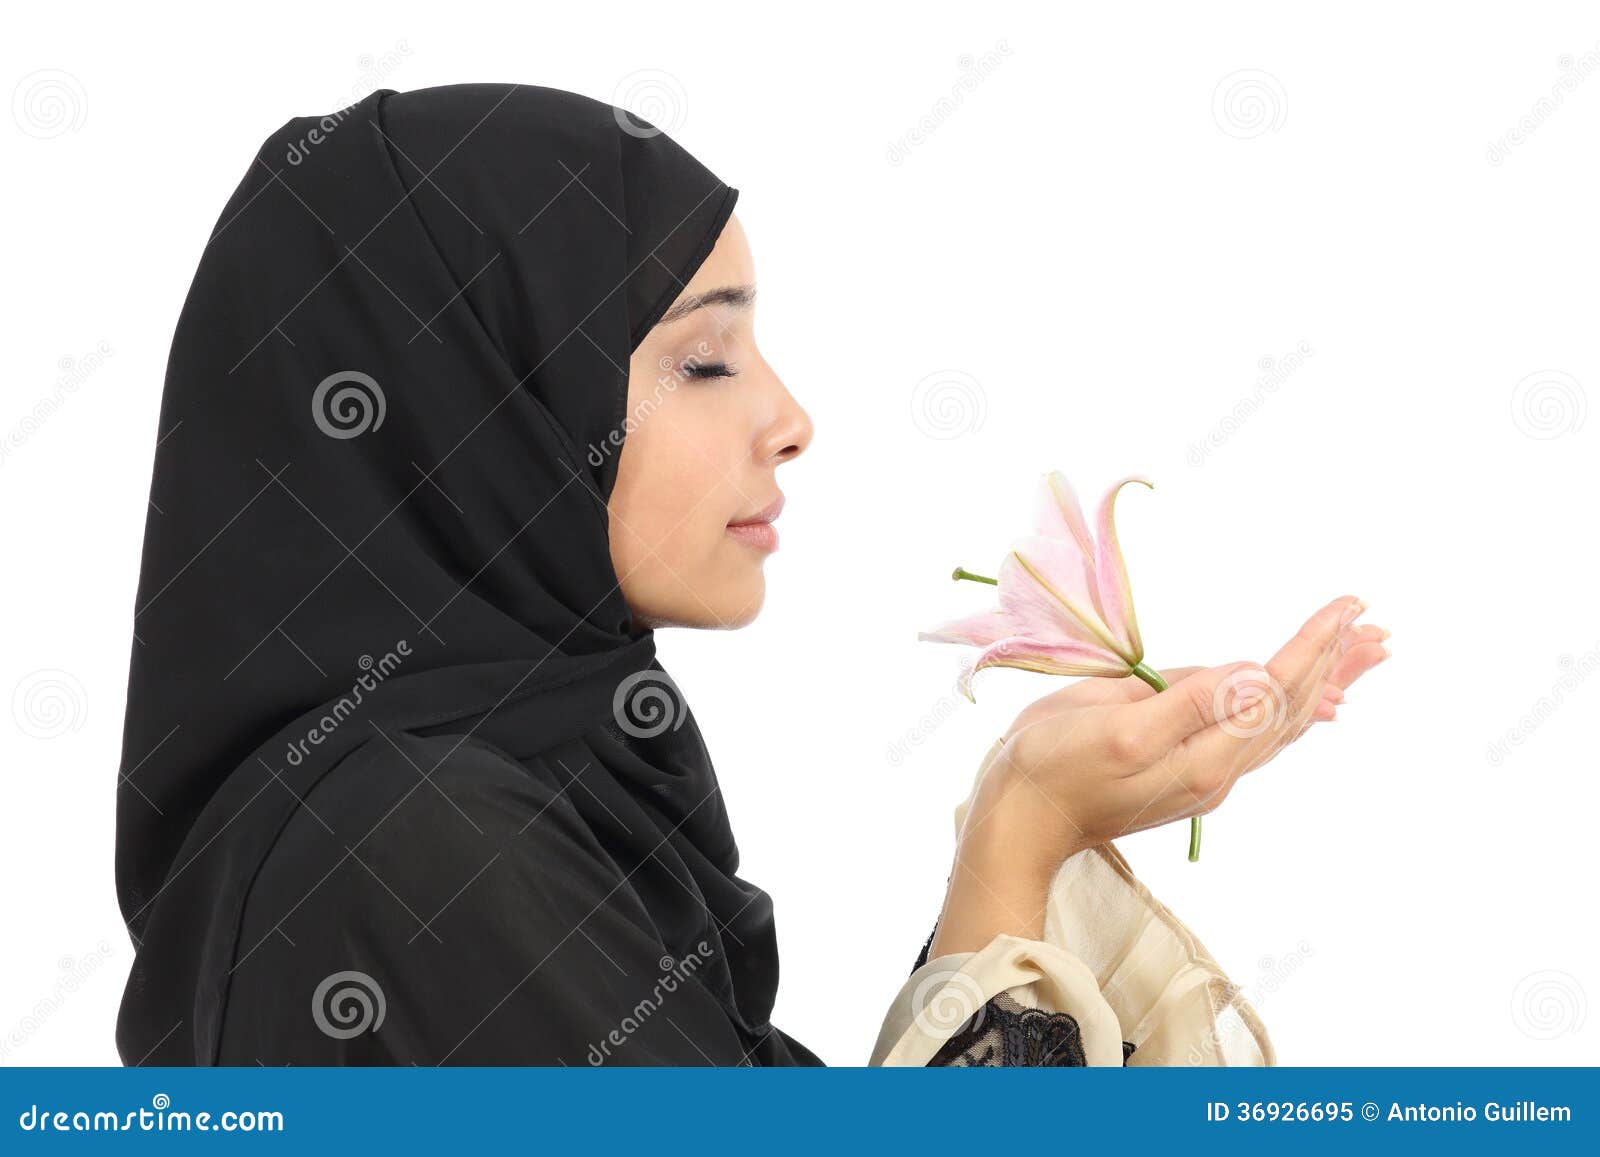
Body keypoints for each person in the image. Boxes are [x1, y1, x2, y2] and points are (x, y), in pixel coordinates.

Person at [114, 83, 1388, 1066]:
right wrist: (1029, 826)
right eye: (703, 358)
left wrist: (1023, 809)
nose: (789, 417)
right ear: (479, 403)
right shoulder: (423, 848)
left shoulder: (471, 789)